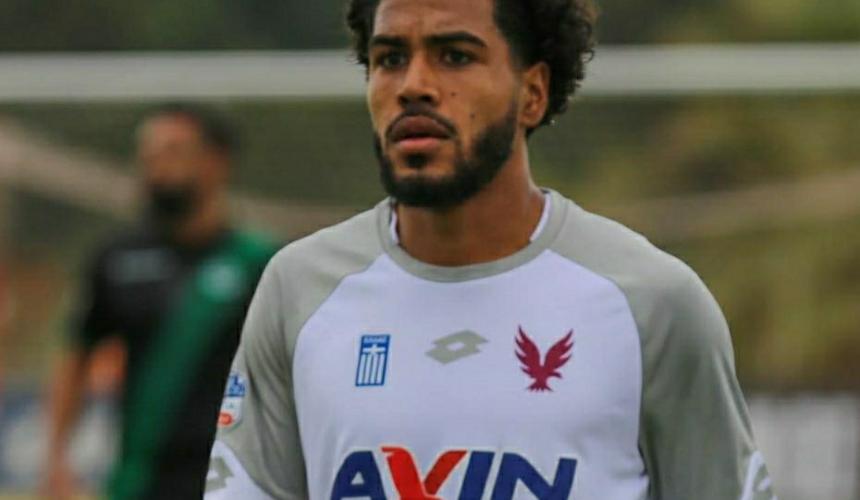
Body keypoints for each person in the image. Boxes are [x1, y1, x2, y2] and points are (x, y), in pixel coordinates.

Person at [205, 0, 776, 498]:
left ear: (533, 94)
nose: (413, 85)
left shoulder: (651, 301)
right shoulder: (300, 289)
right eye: (390, 58)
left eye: (454, 56)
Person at [44, 103, 276, 500]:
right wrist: (56, 459)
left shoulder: (261, 262)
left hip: (236, 477)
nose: (155, 166)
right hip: (141, 479)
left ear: (217, 161)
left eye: (173, 151)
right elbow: (77, 354)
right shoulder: (117, 259)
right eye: (147, 154)